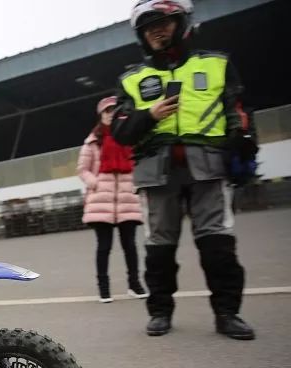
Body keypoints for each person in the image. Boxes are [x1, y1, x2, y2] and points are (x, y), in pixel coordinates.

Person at [112, 0, 257, 339]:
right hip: (156, 171)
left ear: (183, 23)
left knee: (217, 244)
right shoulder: (132, 79)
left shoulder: (217, 64)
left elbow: (239, 111)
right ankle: (160, 312)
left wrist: (244, 149)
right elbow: (119, 129)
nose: (157, 31)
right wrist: (149, 116)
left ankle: (227, 314)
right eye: (149, 27)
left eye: (164, 23)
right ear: (141, 35)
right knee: (159, 247)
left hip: (208, 165)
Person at [79, 96, 148, 303]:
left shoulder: (130, 138)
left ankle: (134, 284)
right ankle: (104, 288)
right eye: (106, 111)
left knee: (130, 245)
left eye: (114, 111)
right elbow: (82, 169)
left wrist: (135, 184)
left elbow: (138, 164)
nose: (110, 114)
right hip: (101, 200)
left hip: (126, 197)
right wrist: (96, 183)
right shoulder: (92, 142)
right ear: (101, 116)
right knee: (104, 246)